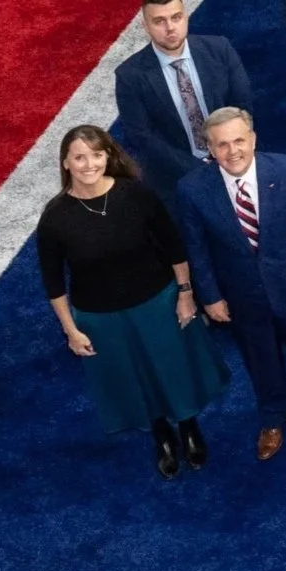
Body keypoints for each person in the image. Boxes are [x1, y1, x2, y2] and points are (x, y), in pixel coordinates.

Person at [41, 125, 225, 478]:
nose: (89, 164)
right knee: (134, 377)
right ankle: (162, 436)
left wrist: (185, 293)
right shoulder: (55, 218)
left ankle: (188, 427)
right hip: (100, 317)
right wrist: (70, 330)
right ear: (66, 162)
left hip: (156, 301)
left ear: (108, 155)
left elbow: (174, 246)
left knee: (171, 369)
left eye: (96, 154)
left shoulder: (135, 195)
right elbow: (53, 283)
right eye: (79, 157)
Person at [176, 109, 286, 464]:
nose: (232, 150)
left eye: (239, 140)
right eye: (222, 145)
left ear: (253, 139)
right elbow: (197, 249)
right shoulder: (192, 189)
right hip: (241, 296)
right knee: (259, 359)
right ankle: (272, 417)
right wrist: (210, 296)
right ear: (210, 148)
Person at [113, 0, 253, 190]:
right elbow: (141, 136)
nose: (170, 27)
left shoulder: (220, 49)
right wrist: (196, 169)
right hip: (176, 180)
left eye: (176, 17)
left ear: (186, 17)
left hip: (233, 162)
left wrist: (225, 157)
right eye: (159, 21)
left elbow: (242, 107)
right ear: (146, 26)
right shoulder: (130, 75)